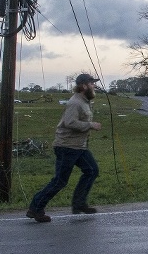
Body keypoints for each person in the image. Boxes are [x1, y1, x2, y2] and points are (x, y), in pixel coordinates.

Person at [26, 73, 103, 223]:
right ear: (83, 86)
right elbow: (70, 123)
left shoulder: (84, 101)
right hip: (66, 147)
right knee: (60, 181)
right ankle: (35, 208)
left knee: (92, 170)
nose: (94, 85)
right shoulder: (75, 103)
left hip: (78, 147)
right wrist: (90, 125)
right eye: (92, 83)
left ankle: (79, 204)